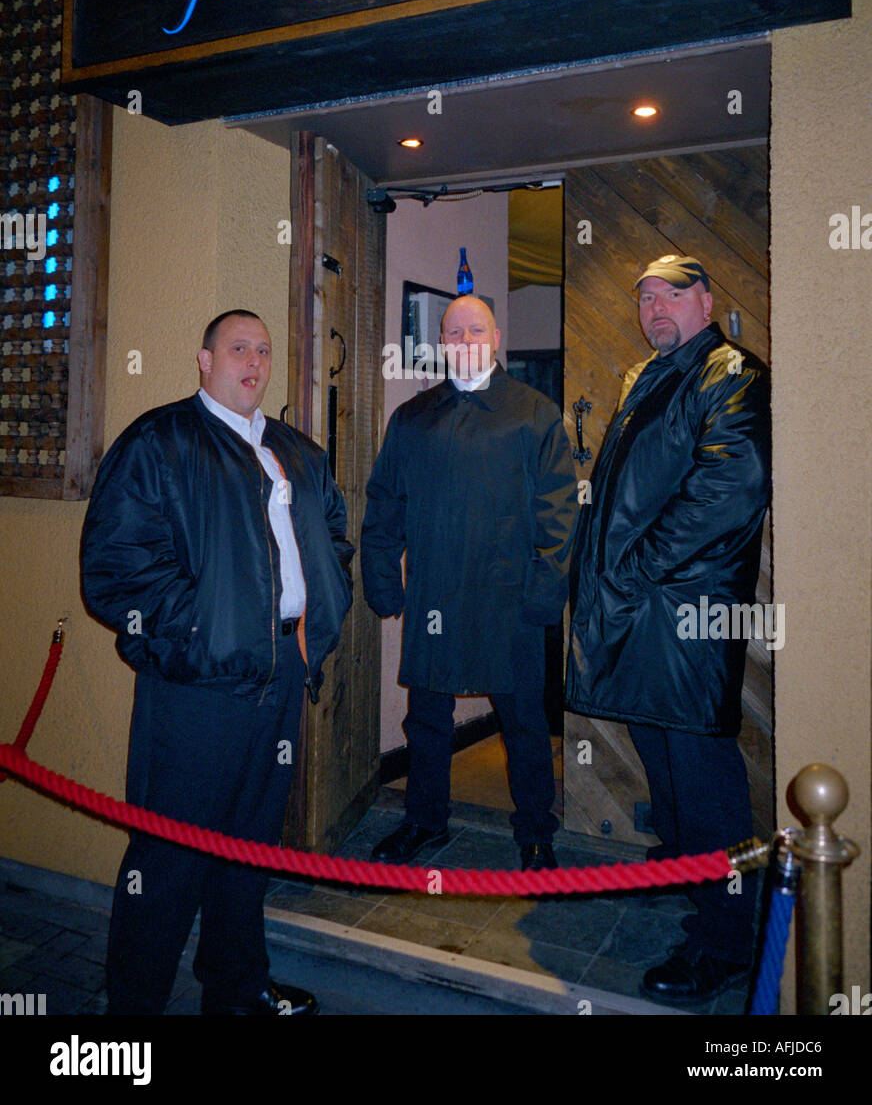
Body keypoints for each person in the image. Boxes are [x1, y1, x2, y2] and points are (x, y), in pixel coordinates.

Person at [80, 310, 353, 1016]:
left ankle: (236, 988)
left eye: (262, 350)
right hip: (197, 687)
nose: (253, 362)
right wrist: (202, 633)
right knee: (167, 860)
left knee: (251, 846)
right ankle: (130, 1016)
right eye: (238, 348)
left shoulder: (298, 451)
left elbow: (333, 540)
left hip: (283, 676)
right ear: (204, 360)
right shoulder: (160, 442)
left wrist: (321, 606)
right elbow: (116, 570)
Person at [565, 255, 771, 1005]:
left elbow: (731, 486)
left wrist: (636, 563)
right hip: (645, 612)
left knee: (704, 779)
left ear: (707, 300)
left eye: (671, 294)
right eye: (646, 296)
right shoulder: (652, 373)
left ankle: (726, 940)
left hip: (686, 615)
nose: (655, 307)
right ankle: (689, 878)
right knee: (664, 757)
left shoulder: (731, 370)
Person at [361, 295, 578, 870]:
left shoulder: (534, 414)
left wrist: (543, 596)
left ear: (496, 335)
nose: (463, 341)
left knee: (524, 722)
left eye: (474, 330)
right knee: (427, 718)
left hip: (509, 601)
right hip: (434, 593)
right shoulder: (413, 417)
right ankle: (424, 820)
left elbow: (559, 515)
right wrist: (384, 581)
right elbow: (384, 504)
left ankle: (536, 831)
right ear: (441, 342)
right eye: (452, 332)